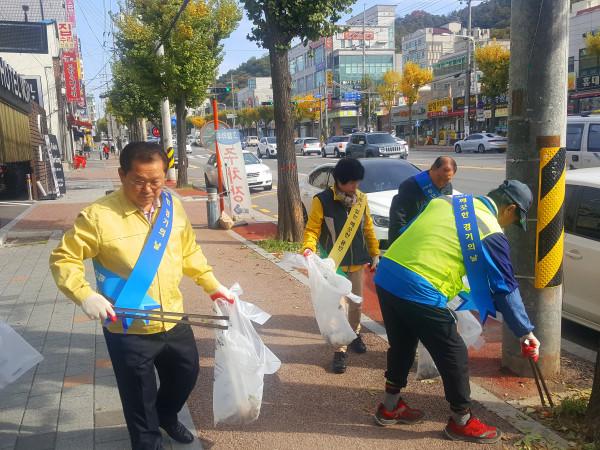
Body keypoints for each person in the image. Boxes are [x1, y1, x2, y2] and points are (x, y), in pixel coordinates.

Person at [50, 141, 234, 450]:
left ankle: (166, 415)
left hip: (172, 316)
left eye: (156, 181)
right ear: (122, 175)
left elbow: (189, 252)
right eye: (139, 181)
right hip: (127, 326)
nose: (148, 189)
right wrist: (84, 295)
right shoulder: (98, 216)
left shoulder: (173, 208)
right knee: (138, 397)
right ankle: (148, 441)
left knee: (187, 373)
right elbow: (63, 258)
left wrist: (213, 285)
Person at [372, 180, 540, 444]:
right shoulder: (489, 228)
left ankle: (390, 407)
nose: (509, 225)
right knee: (454, 353)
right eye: (514, 220)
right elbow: (505, 288)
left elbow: (418, 234)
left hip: (387, 274)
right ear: (510, 209)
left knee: (402, 345)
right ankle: (461, 421)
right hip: (419, 287)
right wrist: (525, 332)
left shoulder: (448, 200)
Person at [302, 158, 380, 374]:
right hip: (334, 265)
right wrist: (308, 248)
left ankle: (354, 334)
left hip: (357, 264)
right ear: (339, 181)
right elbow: (312, 230)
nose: (355, 186)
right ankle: (340, 350)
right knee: (338, 308)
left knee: (356, 305)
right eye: (351, 182)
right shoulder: (322, 200)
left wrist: (375, 252)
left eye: (357, 182)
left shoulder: (361, 199)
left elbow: (368, 228)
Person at [388, 155, 457, 243]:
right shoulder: (411, 185)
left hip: (431, 236)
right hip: (409, 235)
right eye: (439, 178)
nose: (442, 183)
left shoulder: (447, 188)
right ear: (433, 169)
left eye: (447, 180)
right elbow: (398, 217)